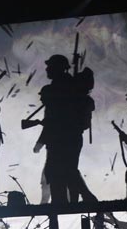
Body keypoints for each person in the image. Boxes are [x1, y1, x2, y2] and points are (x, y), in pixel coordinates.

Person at [34, 55, 96, 204]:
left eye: (50, 67)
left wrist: (41, 141)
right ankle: (64, 201)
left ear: (58, 68)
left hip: (64, 137)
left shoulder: (59, 89)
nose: (47, 69)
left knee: (64, 170)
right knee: (61, 171)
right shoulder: (69, 86)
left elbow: (52, 119)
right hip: (66, 137)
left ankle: (84, 198)